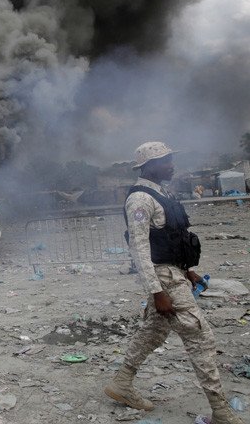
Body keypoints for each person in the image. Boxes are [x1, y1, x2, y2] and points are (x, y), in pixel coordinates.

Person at [104, 142, 243, 424]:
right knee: (200, 336)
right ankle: (221, 413)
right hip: (163, 280)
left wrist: (188, 269)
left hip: (173, 273)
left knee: (152, 334)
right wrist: (157, 292)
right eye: (166, 161)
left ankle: (121, 384)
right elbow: (139, 249)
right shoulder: (140, 200)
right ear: (150, 166)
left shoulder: (161, 193)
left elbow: (173, 237)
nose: (172, 165)